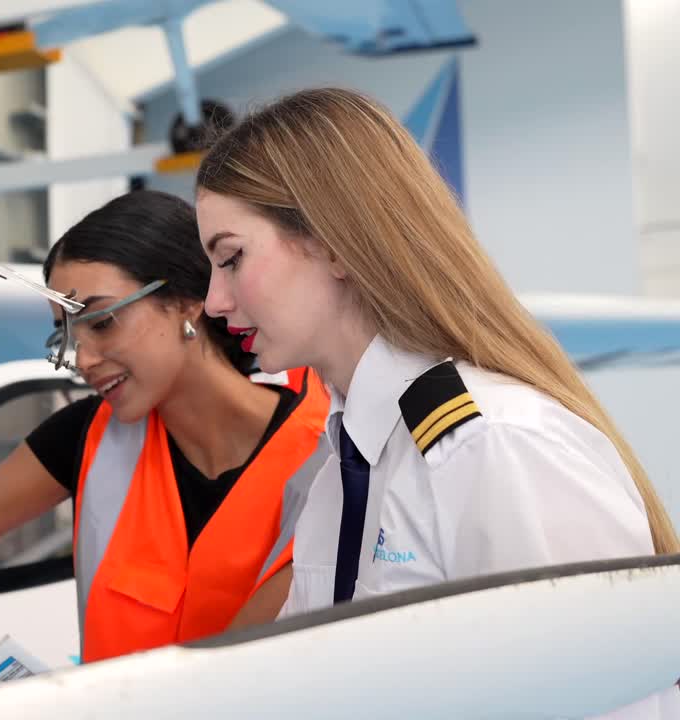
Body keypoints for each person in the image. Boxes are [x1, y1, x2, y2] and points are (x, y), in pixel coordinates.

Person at [195, 87, 680, 716]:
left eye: (231, 258)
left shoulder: (495, 444)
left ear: (334, 241)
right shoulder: (344, 475)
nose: (213, 302)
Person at [0, 189, 332, 663]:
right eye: (67, 333)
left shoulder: (330, 448)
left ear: (187, 301)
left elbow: (237, 667)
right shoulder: (86, 436)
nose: (82, 359)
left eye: (102, 321)